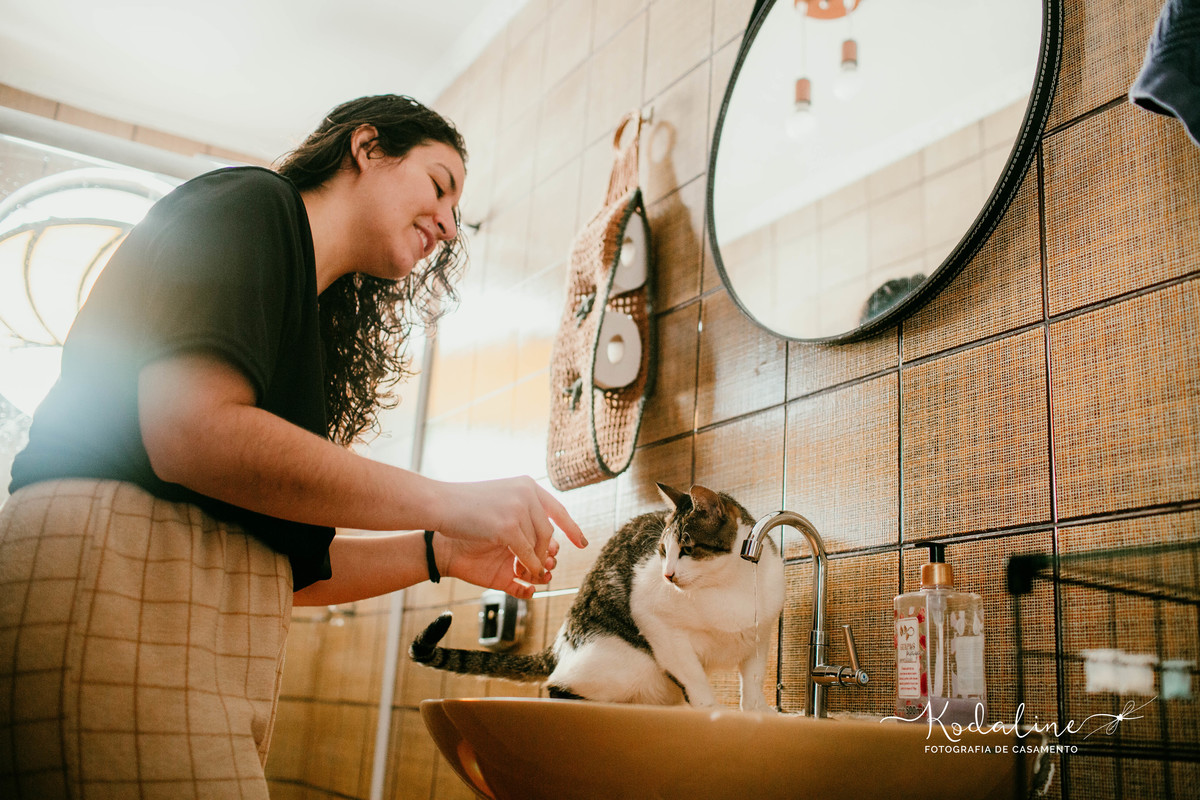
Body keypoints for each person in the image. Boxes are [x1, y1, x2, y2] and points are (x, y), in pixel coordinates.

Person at [0, 94, 585, 799]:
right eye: (438, 185)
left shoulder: (298, 328)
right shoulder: (252, 202)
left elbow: (288, 569)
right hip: (116, 592)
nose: (450, 225)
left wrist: (441, 549)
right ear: (366, 147)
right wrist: (458, 500)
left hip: (183, 636)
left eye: (458, 210)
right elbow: (194, 434)